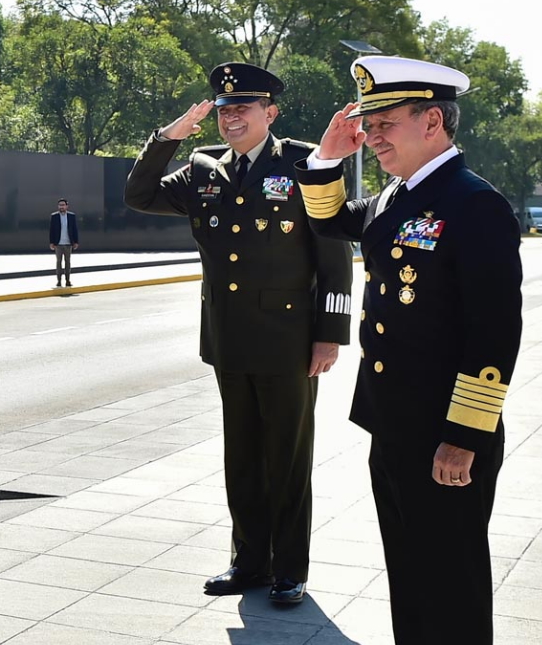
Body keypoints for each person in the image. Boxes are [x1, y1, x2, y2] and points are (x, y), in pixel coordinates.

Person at [294, 55, 521, 644]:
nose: (370, 137)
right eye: (368, 125)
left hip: (444, 434)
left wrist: (464, 437)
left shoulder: (475, 203)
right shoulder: (399, 195)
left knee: (452, 582)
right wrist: (327, 158)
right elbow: (329, 220)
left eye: (384, 123)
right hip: (392, 423)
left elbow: (494, 334)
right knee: (411, 575)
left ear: (432, 121)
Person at [124, 62, 354, 605]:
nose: (231, 117)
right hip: (228, 337)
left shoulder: (304, 162)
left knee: (288, 458)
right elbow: (138, 194)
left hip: (290, 340)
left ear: (269, 113)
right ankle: (249, 561)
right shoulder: (202, 169)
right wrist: (170, 137)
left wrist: (330, 335)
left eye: (242, 108)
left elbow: (335, 256)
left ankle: (289, 569)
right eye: (224, 110)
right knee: (242, 456)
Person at [49, 199, 79, 287]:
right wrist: (51, 242)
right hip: (58, 244)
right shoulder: (54, 216)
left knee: (67, 262)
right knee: (58, 262)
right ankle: (59, 281)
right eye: (60, 205)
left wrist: (76, 242)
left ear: (67, 206)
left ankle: (68, 280)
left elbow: (74, 229)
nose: (61, 207)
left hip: (68, 243)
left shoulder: (71, 216)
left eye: (63, 205)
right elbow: (52, 230)